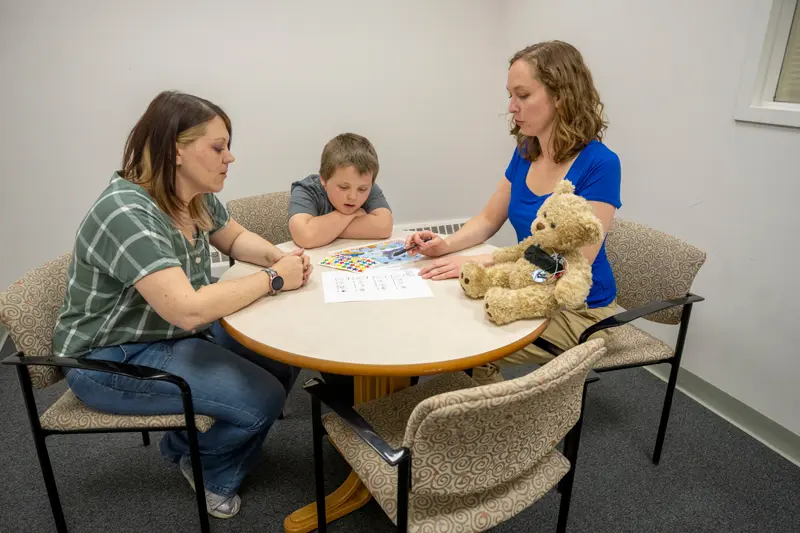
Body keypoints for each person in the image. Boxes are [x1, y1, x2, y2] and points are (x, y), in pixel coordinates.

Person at [53, 91, 312, 519]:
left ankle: (198, 439)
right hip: (107, 358)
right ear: (177, 148)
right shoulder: (126, 212)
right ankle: (203, 464)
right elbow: (187, 309)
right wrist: (272, 279)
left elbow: (233, 237)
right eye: (218, 147)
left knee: (282, 355)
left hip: (167, 333)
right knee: (262, 399)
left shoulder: (189, 193)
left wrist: (279, 259)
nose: (230, 157)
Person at [405, 41, 621, 383]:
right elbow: (489, 218)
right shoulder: (526, 150)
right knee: (452, 314)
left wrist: (490, 261)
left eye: (522, 95)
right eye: (510, 95)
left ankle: (510, 432)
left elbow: (568, 265)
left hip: (579, 308)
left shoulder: (601, 164)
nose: (511, 107)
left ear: (561, 96)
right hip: (527, 286)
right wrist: (445, 246)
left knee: (471, 340)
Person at [287, 133, 393, 249]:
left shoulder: (367, 185)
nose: (353, 197)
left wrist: (324, 231)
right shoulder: (306, 189)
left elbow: (384, 226)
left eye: (362, 189)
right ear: (323, 179)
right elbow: (305, 236)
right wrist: (353, 215)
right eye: (343, 187)